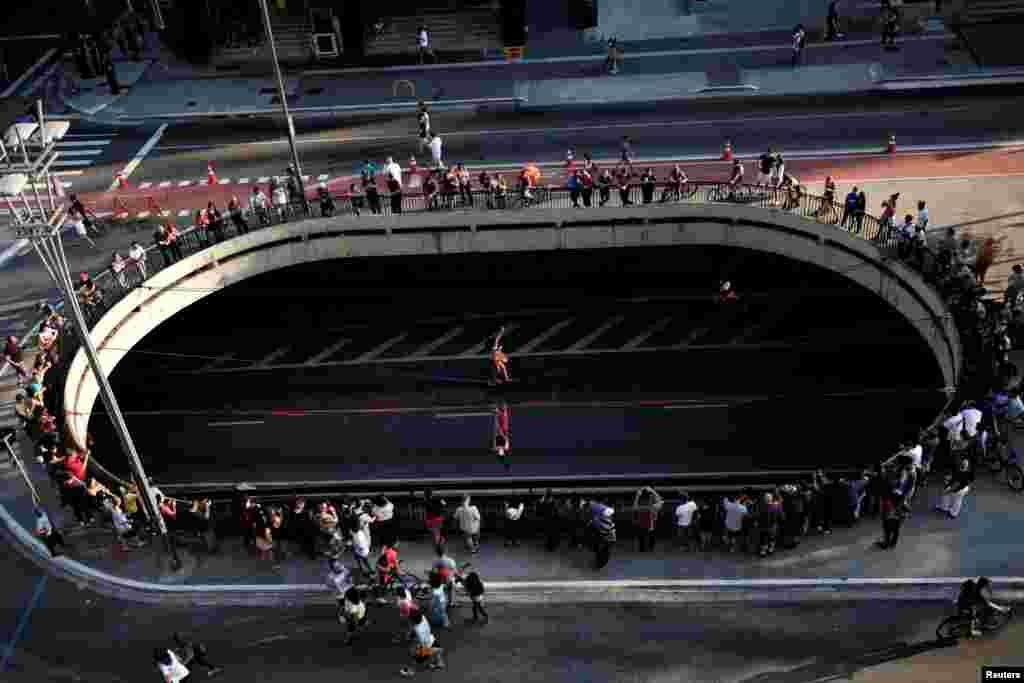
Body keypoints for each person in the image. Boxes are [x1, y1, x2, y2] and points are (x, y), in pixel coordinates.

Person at [633, 486, 664, 552]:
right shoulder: (645, 507)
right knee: (642, 539)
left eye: (651, 498)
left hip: (650, 525)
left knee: (650, 538)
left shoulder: (654, 507)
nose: (651, 499)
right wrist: (638, 495)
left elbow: (660, 500)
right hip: (643, 525)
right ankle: (644, 549)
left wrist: (652, 491)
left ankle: (649, 548)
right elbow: (635, 507)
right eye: (650, 498)